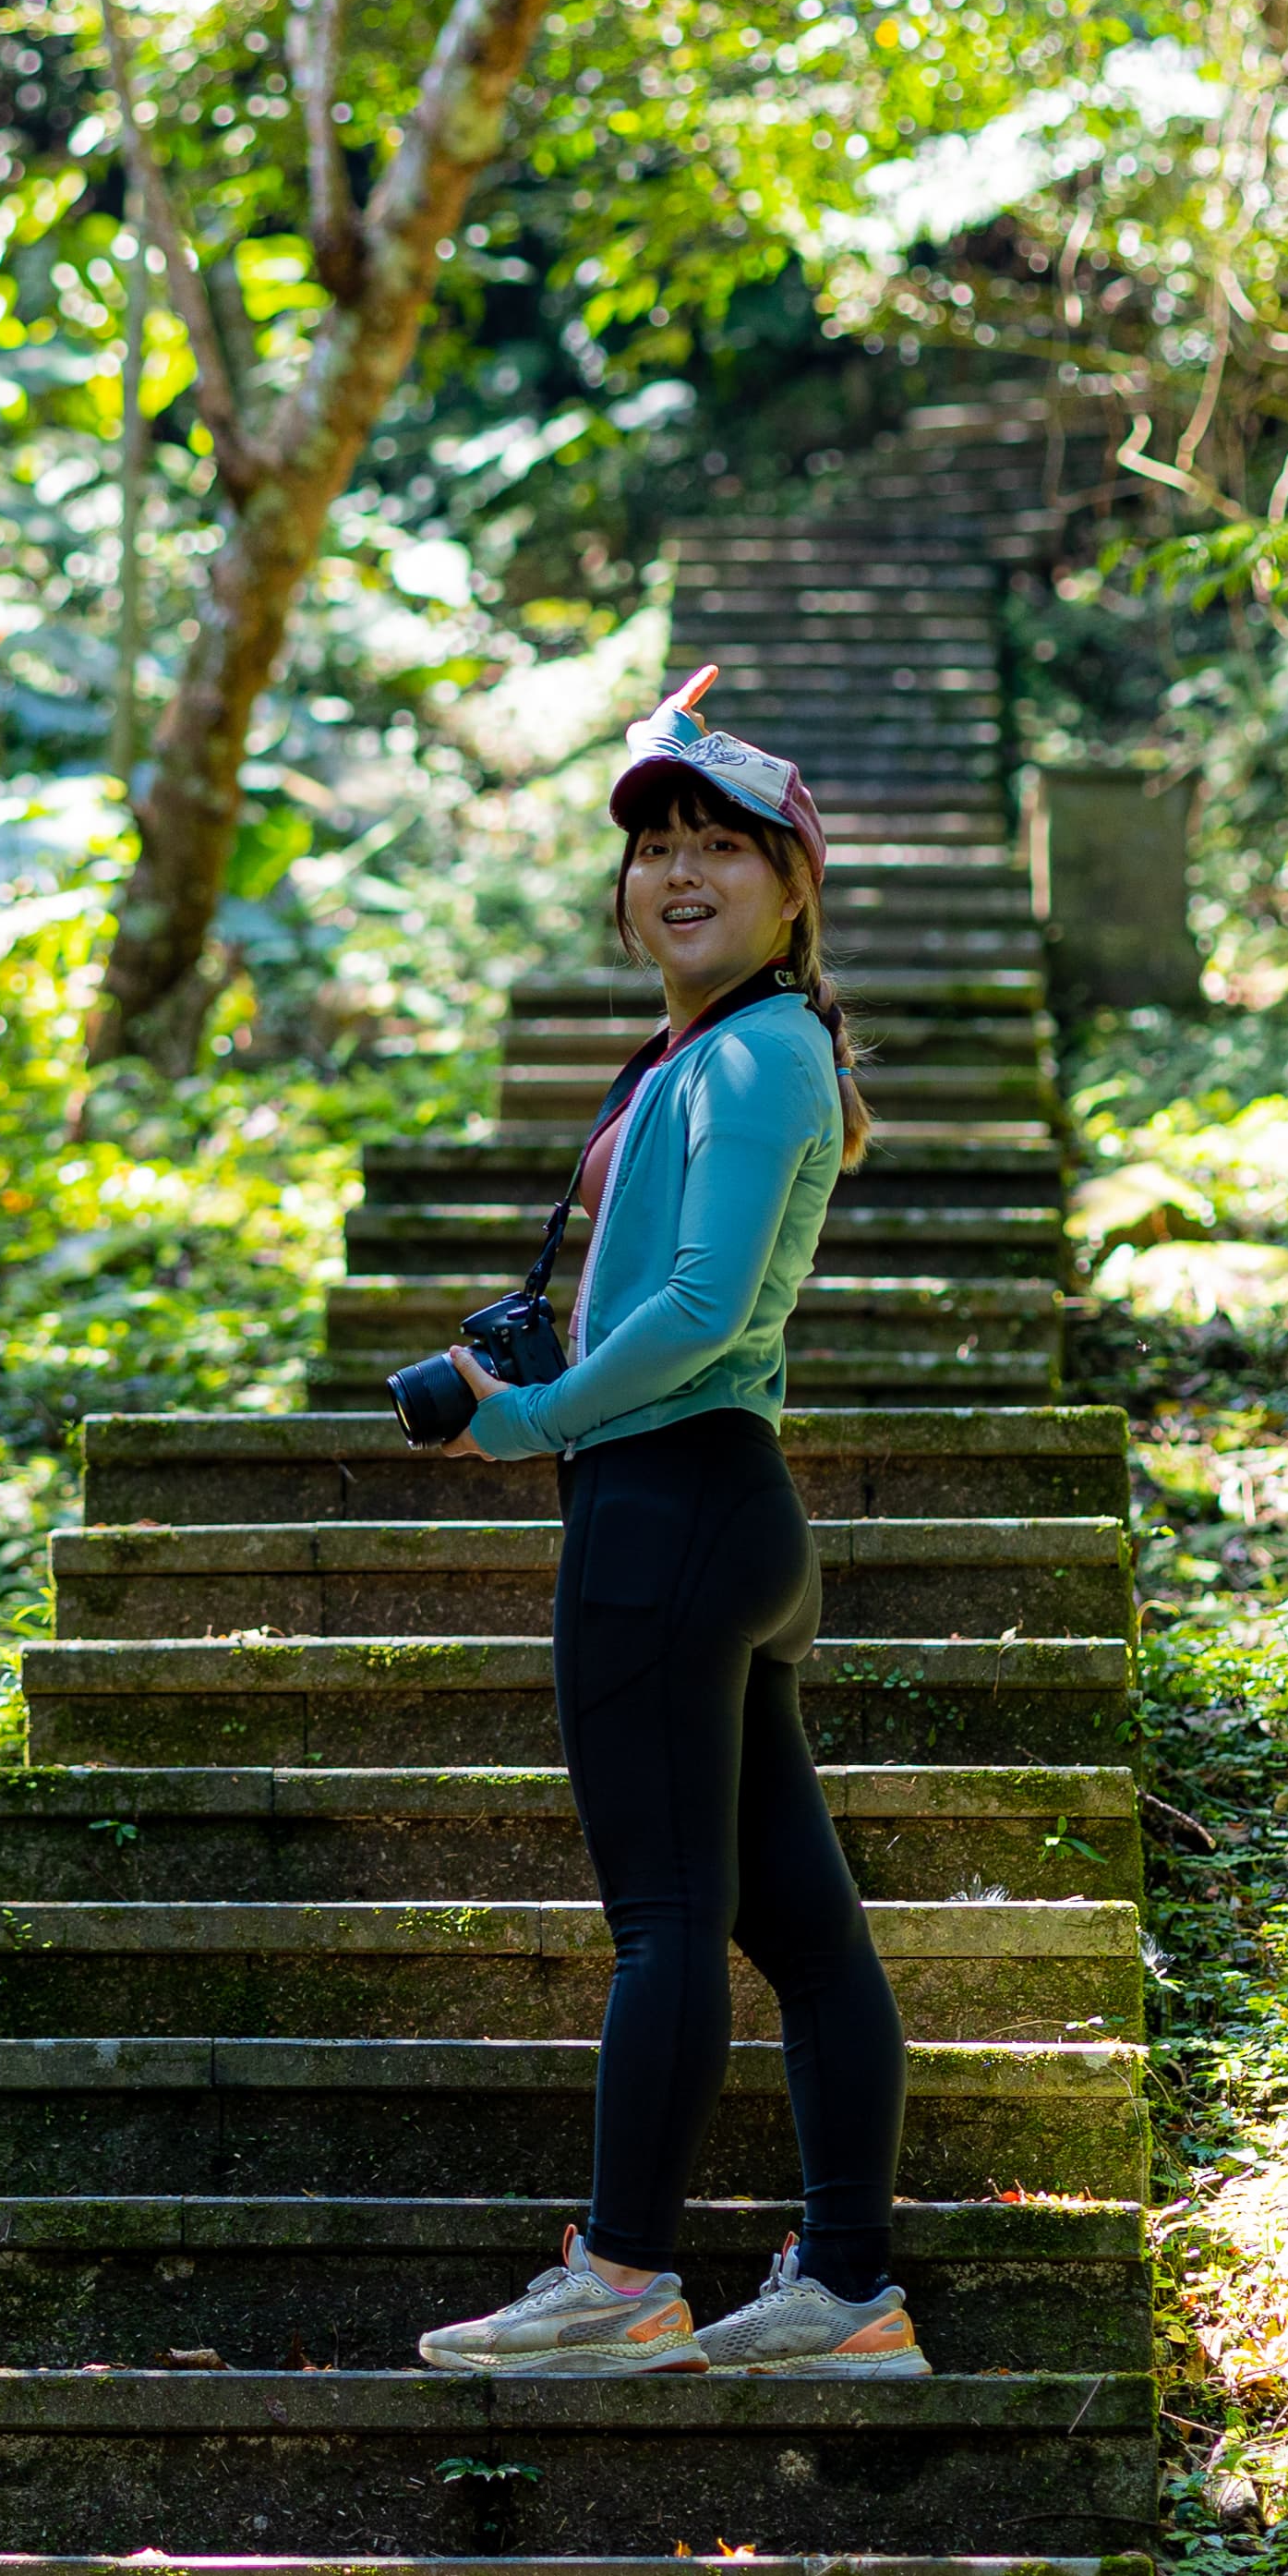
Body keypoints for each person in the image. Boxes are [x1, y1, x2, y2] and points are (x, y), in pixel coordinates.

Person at [406, 687, 921, 2380]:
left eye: (723, 846)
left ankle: (625, 2277)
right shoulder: (728, 1052)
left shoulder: (759, 1050)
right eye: (656, 846)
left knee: (665, 1923)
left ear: (792, 891)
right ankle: (844, 2292)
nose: (680, 872)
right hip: (713, 1510)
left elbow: (701, 1301)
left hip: (669, 1506)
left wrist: (536, 1418)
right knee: (796, 1930)